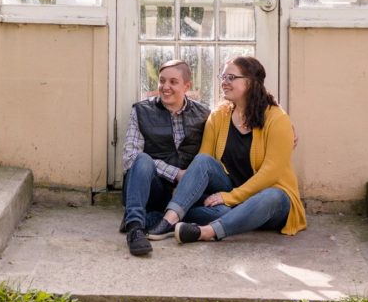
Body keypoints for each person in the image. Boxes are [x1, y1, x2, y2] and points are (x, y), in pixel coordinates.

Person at [145, 55, 306, 243]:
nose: (224, 83)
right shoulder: (219, 115)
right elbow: (203, 160)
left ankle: (206, 232)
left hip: (266, 200)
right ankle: (169, 220)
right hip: (229, 196)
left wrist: (231, 197)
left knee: (274, 196)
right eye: (222, 77)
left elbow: (270, 174)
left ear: (251, 82)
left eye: (231, 78)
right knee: (203, 162)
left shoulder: (277, 119)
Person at [121, 59, 211, 257]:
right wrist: (176, 173)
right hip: (151, 188)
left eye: (173, 82)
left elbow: (235, 117)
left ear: (187, 86)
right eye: (162, 81)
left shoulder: (204, 114)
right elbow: (130, 158)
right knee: (142, 160)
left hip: (182, 196)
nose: (165, 87)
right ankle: (135, 227)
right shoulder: (141, 111)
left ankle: (159, 219)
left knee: (219, 214)